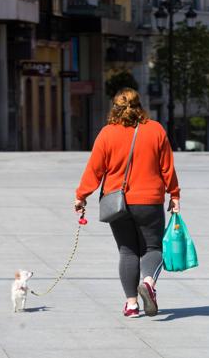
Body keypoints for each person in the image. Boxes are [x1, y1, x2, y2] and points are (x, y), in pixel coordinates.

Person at [74, 88, 180, 318]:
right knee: (153, 247)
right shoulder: (156, 130)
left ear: (116, 108)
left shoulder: (107, 133)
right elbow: (167, 167)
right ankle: (149, 283)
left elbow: (95, 169)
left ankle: (131, 304)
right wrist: (174, 195)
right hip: (150, 201)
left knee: (127, 251)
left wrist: (81, 195)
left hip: (117, 202)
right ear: (140, 106)